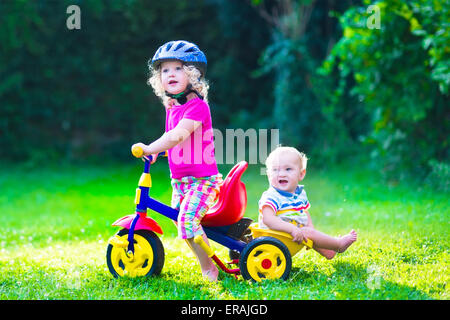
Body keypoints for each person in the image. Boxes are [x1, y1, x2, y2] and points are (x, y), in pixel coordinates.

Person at [132, 40, 221, 281]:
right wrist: (156, 152)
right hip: (180, 181)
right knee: (180, 222)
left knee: (187, 221)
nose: (170, 74)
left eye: (178, 68)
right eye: (165, 70)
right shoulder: (173, 108)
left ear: (192, 74)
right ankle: (207, 262)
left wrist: (150, 146)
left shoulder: (197, 107)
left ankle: (209, 268)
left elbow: (176, 135)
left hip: (202, 181)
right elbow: (173, 142)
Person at [259, 146, 357, 259]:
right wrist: (293, 229)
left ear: (301, 174)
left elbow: (304, 212)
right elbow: (268, 219)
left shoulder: (299, 194)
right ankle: (338, 244)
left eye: (288, 169)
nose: (281, 174)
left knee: (309, 231)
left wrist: (311, 230)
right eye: (275, 169)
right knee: (307, 231)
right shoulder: (271, 196)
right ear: (268, 174)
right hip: (275, 237)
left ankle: (328, 251)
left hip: (292, 235)